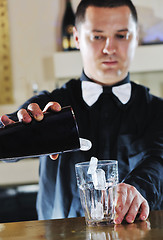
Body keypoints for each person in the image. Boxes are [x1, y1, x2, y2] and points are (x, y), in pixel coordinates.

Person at [1, 0, 163, 224]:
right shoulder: (48, 106)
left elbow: (159, 162)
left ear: (136, 37)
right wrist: (17, 132)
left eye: (121, 35)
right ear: (77, 38)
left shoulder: (157, 112)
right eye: (97, 36)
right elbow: (5, 141)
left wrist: (136, 188)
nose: (109, 48)